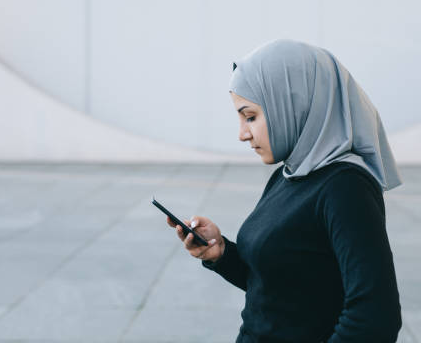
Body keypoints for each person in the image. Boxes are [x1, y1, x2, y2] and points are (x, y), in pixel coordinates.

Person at [166, 39, 403, 342]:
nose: (242, 134)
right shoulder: (287, 174)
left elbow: (375, 318)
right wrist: (221, 253)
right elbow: (284, 286)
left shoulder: (346, 188)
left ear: (294, 103)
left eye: (250, 116)